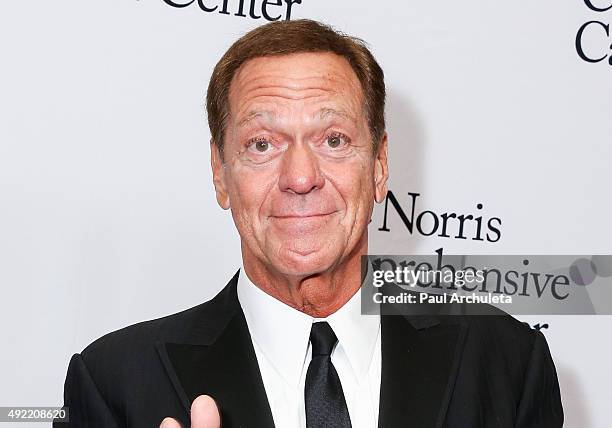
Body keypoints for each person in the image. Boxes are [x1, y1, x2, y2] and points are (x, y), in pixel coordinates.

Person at [54, 19, 563, 428]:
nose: (300, 178)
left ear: (380, 165)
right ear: (220, 173)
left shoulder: (507, 362)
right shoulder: (112, 384)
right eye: (262, 144)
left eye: (334, 140)